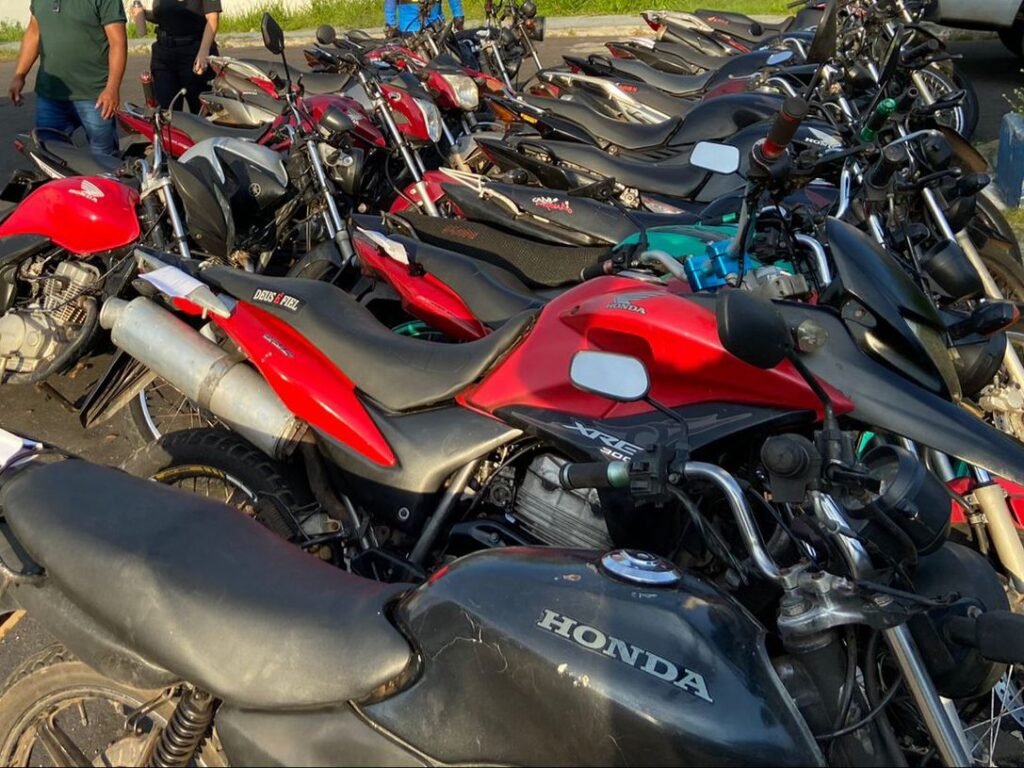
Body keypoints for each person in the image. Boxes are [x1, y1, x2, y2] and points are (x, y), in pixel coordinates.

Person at [7, 0, 127, 157]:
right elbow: (34, 32)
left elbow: (118, 43)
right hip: (51, 96)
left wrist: (112, 88)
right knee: (50, 157)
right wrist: (20, 74)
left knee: (104, 160)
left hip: (95, 96)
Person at [132, 0, 222, 113]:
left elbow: (212, 19)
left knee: (200, 113)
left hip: (194, 52)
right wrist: (143, 14)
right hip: (164, 55)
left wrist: (203, 52)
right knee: (166, 112)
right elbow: (166, 15)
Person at [384, 0, 464, 37]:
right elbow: (390, 3)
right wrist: (390, 24)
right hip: (409, 30)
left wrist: (458, 15)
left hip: (436, 28)